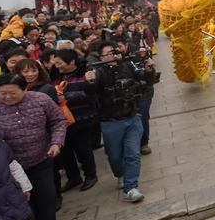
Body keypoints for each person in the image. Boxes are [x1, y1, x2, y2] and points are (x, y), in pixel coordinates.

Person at [0, 74, 68, 220]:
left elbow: (58, 121)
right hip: (8, 167)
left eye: (12, 92)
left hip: (40, 157)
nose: (7, 97)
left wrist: (56, 142)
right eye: (2, 93)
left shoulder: (41, 99)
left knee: (46, 196)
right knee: (15, 203)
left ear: (25, 89)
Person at [86, 41, 157, 203]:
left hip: (132, 117)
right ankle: (120, 174)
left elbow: (146, 80)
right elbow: (90, 92)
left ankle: (131, 188)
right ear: (101, 56)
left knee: (133, 154)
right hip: (110, 122)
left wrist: (148, 70)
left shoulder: (128, 66)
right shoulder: (98, 72)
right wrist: (89, 82)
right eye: (108, 53)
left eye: (115, 51)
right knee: (115, 155)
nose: (113, 55)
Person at [50, 49, 99, 191]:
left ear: (71, 61)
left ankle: (91, 175)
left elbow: (91, 93)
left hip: (82, 117)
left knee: (83, 149)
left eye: (60, 63)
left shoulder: (86, 72)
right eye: (56, 63)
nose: (57, 66)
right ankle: (74, 178)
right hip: (62, 120)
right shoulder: (56, 75)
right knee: (66, 152)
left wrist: (67, 97)